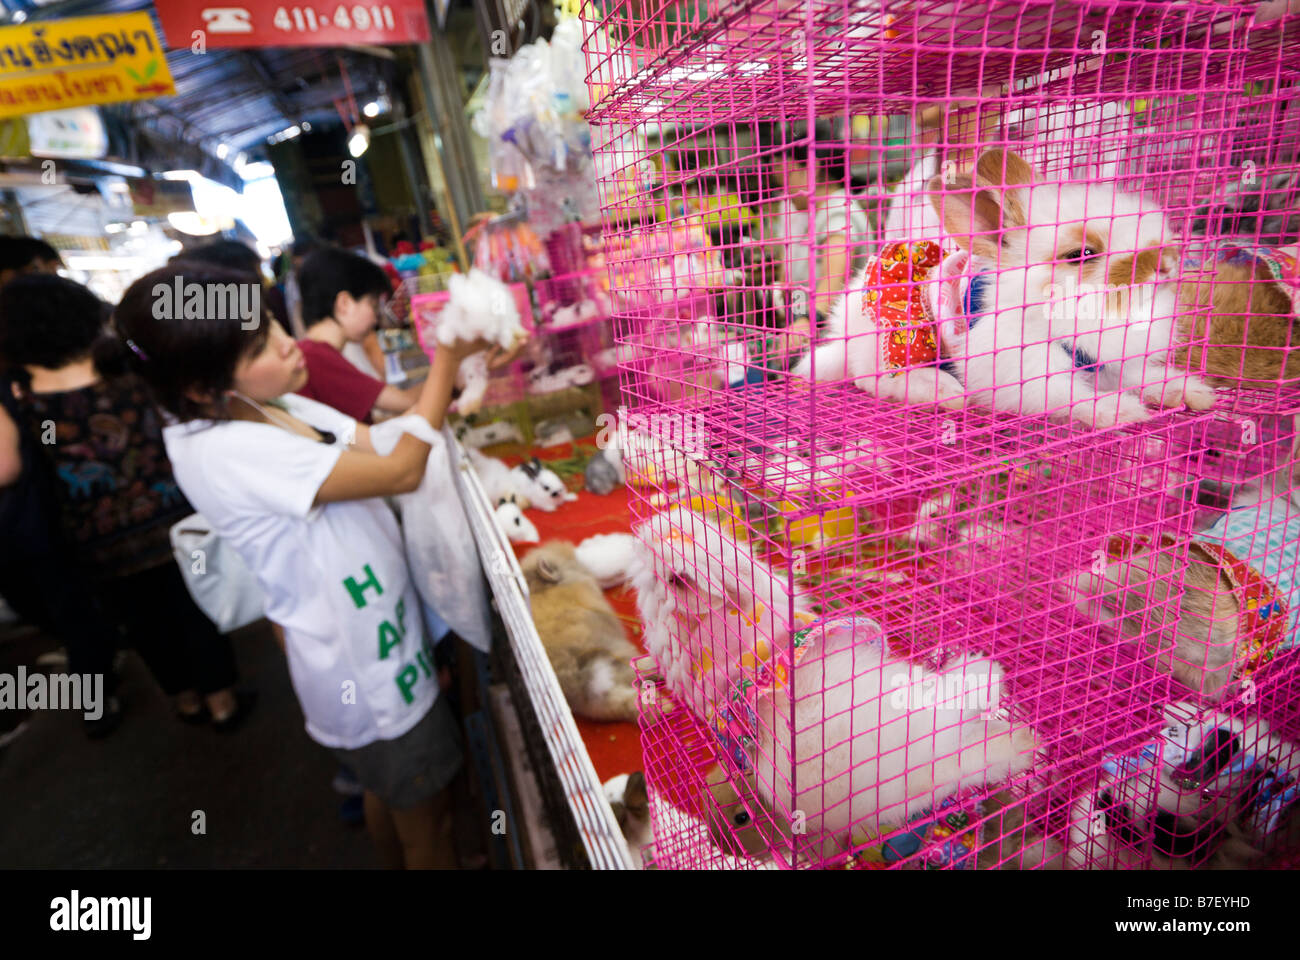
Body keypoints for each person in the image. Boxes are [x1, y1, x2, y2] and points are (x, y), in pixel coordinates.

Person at [113, 261, 503, 868]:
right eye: (260, 344)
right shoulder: (228, 449)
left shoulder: (264, 403)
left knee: (391, 794)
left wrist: (460, 376)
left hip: (372, 636)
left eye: (272, 322)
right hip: (365, 667)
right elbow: (401, 468)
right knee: (431, 822)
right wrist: (448, 362)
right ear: (198, 387)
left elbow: (385, 438)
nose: (288, 342)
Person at [0, 274, 253, 731]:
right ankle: (223, 702)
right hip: (174, 520)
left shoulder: (23, 402)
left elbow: (12, 470)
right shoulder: (133, 373)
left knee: (144, 625)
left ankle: (186, 700)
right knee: (196, 609)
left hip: (93, 540)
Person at [294, 246, 421, 422]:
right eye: (373, 305)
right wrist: (452, 370)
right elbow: (405, 401)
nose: (376, 318)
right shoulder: (318, 357)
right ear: (344, 303)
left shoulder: (316, 353)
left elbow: (356, 431)